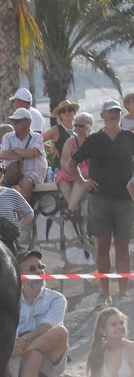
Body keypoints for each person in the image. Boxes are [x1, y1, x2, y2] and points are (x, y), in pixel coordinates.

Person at [62, 100, 134, 303]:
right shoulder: (94, 139)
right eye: (110, 112)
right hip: (100, 199)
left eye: (117, 112)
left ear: (121, 115)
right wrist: (82, 182)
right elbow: (72, 162)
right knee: (102, 245)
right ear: (102, 115)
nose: (113, 115)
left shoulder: (129, 137)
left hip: (125, 200)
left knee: (123, 246)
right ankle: (105, 293)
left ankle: (123, 292)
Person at [11, 250, 69, 377]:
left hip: (49, 353)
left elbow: (47, 327)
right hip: (21, 355)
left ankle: (23, 350)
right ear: (19, 274)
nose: (39, 271)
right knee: (34, 355)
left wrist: (24, 342)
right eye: (32, 269)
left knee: (60, 331)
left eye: (41, 267)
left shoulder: (57, 298)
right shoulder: (11, 300)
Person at [0, 106, 46, 205]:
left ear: (28, 122)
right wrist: (25, 153)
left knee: (27, 183)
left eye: (18, 121)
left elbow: (34, 153)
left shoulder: (37, 137)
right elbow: (4, 154)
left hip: (31, 173)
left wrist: (14, 150)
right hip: (12, 173)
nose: (14, 124)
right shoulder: (7, 137)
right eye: (13, 121)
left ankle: (23, 213)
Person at [57, 109, 94, 216]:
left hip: (88, 169)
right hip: (72, 168)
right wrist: (71, 169)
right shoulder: (70, 141)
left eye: (81, 126)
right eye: (76, 125)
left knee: (81, 177)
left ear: (88, 126)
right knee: (62, 179)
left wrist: (88, 135)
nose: (77, 128)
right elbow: (64, 160)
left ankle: (71, 209)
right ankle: (75, 209)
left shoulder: (94, 140)